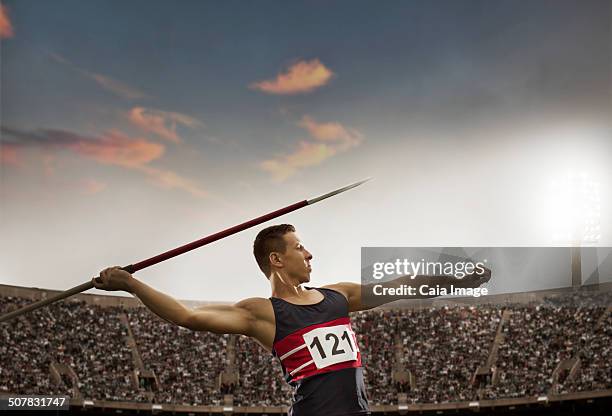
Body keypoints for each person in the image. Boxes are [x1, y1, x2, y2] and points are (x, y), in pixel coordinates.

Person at [93, 224, 490, 416]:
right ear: (277, 260)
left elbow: (397, 284)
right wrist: (130, 283)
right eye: (300, 248)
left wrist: (452, 277)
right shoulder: (262, 313)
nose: (310, 254)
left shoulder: (339, 296)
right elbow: (188, 316)